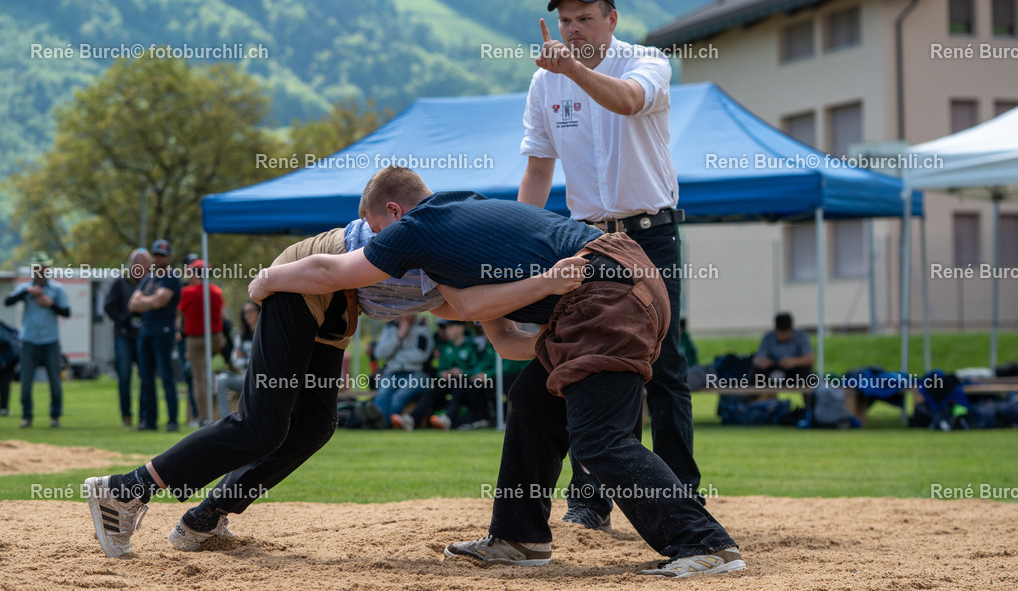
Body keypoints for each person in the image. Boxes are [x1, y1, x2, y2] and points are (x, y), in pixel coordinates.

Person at [246, 167, 743, 577]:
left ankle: (704, 544)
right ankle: (519, 538)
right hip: (614, 284)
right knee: (532, 400)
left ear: (395, 213)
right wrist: (556, 343)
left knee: (600, 441)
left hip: (604, 291)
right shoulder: (462, 218)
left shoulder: (417, 228)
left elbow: (331, 272)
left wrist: (266, 279)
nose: (379, 245)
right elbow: (504, 340)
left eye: (377, 232)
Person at [85, 216, 581, 559]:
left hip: (338, 310)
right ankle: (125, 491)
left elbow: (502, 337)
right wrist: (264, 281)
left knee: (314, 426)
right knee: (260, 426)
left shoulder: (460, 267)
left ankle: (204, 517)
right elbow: (323, 269)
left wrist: (558, 336)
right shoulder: (424, 242)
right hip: (302, 286)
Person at [518, 0, 699, 530]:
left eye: (585, 18)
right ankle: (588, 503)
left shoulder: (648, 62)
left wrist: (571, 68)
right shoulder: (544, 83)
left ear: (612, 19)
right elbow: (537, 168)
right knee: (584, 361)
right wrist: (522, 238)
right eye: (566, 21)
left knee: (663, 365)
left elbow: (625, 101)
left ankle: (681, 497)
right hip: (589, 239)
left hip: (649, 233)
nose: (574, 30)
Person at [4, 252, 70, 428]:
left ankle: (55, 416)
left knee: (55, 382)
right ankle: (27, 416)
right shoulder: (26, 288)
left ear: (47, 269)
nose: (40, 271)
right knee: (25, 382)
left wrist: (51, 304)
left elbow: (66, 312)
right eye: (37, 268)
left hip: (50, 340)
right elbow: (7, 301)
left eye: (43, 268)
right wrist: (26, 292)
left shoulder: (57, 289)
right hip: (29, 340)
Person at [130, 239, 183, 432]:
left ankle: (172, 420)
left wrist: (145, 300)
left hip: (163, 332)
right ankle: (149, 421)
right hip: (145, 332)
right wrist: (150, 301)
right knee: (145, 378)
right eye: (156, 254)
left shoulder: (172, 277)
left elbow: (160, 301)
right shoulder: (148, 278)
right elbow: (132, 304)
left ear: (169, 257)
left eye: (162, 254)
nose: (158, 258)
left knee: (167, 377)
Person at [104, 248, 151, 427]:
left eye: (145, 262)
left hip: (143, 336)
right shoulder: (121, 282)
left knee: (145, 377)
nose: (141, 265)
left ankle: (143, 415)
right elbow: (109, 306)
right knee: (124, 377)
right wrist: (123, 319)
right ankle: (126, 416)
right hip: (123, 336)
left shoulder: (151, 282)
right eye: (138, 262)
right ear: (132, 264)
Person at [177, 259, 227, 426]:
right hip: (216, 339)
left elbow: (181, 314)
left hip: (196, 340)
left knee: (199, 379)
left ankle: (204, 417)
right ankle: (227, 368)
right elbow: (221, 313)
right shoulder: (216, 291)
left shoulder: (187, 292)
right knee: (209, 371)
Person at [371, 313, 434, 422]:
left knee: (399, 397)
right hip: (392, 372)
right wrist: (399, 335)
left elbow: (421, 356)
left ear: (413, 313)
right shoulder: (390, 328)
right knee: (382, 395)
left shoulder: (422, 329)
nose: (399, 315)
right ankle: (379, 423)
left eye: (403, 312)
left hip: (416, 373)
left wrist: (394, 355)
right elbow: (379, 353)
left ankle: (384, 423)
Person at [216, 301, 260, 419]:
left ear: (258, 312)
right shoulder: (241, 336)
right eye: (245, 312)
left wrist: (246, 359)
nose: (247, 315)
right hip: (245, 377)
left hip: (263, 378)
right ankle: (225, 420)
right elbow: (234, 360)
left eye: (250, 311)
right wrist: (249, 361)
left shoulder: (266, 334)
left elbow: (264, 360)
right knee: (221, 379)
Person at [753, 312, 815, 383]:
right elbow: (757, 359)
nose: (783, 336)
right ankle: (753, 393)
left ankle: (808, 393)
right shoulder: (768, 337)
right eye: (780, 333)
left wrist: (794, 361)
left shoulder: (801, 336)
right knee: (757, 372)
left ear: (791, 330)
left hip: (794, 371)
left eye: (785, 333)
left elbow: (810, 358)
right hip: (773, 370)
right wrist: (762, 362)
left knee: (805, 372)